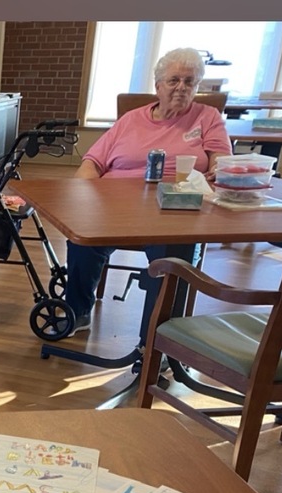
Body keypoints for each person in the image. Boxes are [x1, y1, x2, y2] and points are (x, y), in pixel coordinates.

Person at [64, 46, 232, 337]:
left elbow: (221, 164)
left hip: (175, 210)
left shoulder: (207, 117)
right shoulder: (130, 120)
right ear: (157, 86)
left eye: (189, 82)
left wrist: (217, 175)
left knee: (173, 253)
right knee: (81, 238)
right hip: (117, 206)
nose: (181, 88)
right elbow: (92, 163)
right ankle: (77, 312)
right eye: (174, 80)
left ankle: (157, 337)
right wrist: (82, 201)